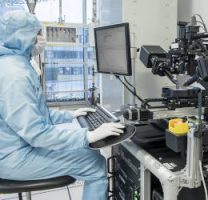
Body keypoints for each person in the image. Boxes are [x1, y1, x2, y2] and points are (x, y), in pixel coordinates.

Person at [0, 10, 124, 200]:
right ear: (23, 37)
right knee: (94, 164)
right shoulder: (15, 75)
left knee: (84, 151)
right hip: (12, 158)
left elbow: (34, 114)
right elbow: (36, 134)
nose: (41, 39)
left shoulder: (14, 63)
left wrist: (70, 115)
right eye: (37, 34)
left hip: (16, 146)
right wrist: (88, 135)